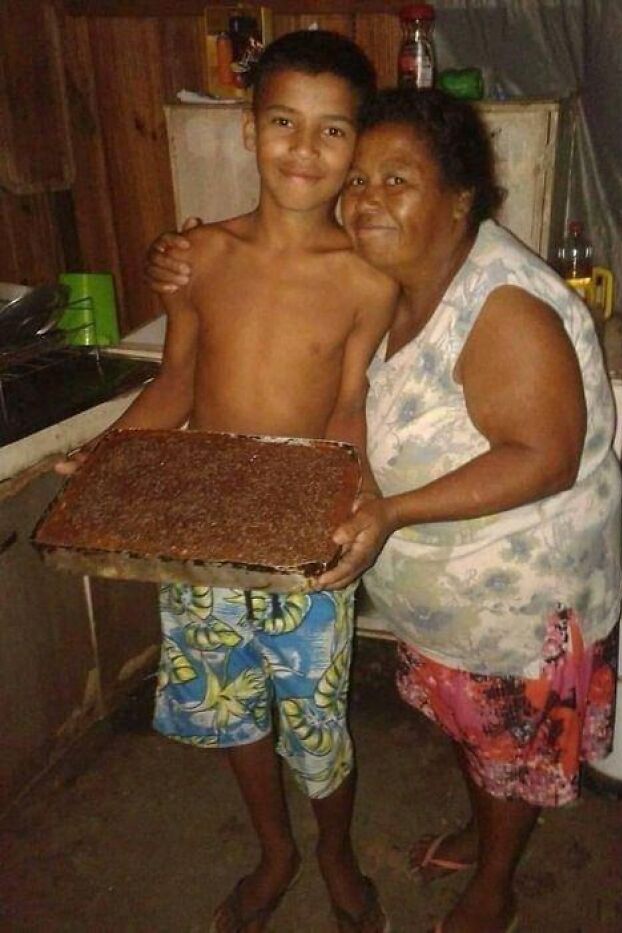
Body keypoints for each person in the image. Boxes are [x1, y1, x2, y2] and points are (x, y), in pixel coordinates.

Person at [148, 89, 622, 933]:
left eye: (396, 180)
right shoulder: (402, 279)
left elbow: (543, 456)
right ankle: (485, 838)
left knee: (508, 747)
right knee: (475, 733)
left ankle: (495, 886)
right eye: (359, 178)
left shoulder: (505, 304)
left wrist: (393, 510)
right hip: (444, 593)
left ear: (460, 197)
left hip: (517, 600)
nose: (366, 197)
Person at [63, 31, 396, 933]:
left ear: (356, 146)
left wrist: (336, 514)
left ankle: (333, 848)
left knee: (318, 719)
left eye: (333, 131)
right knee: (230, 704)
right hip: (201, 537)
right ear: (250, 131)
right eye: (284, 121)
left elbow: (349, 408)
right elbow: (174, 385)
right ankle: (274, 848)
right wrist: (102, 457)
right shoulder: (199, 256)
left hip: (303, 540)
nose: (304, 148)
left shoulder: (367, 279)